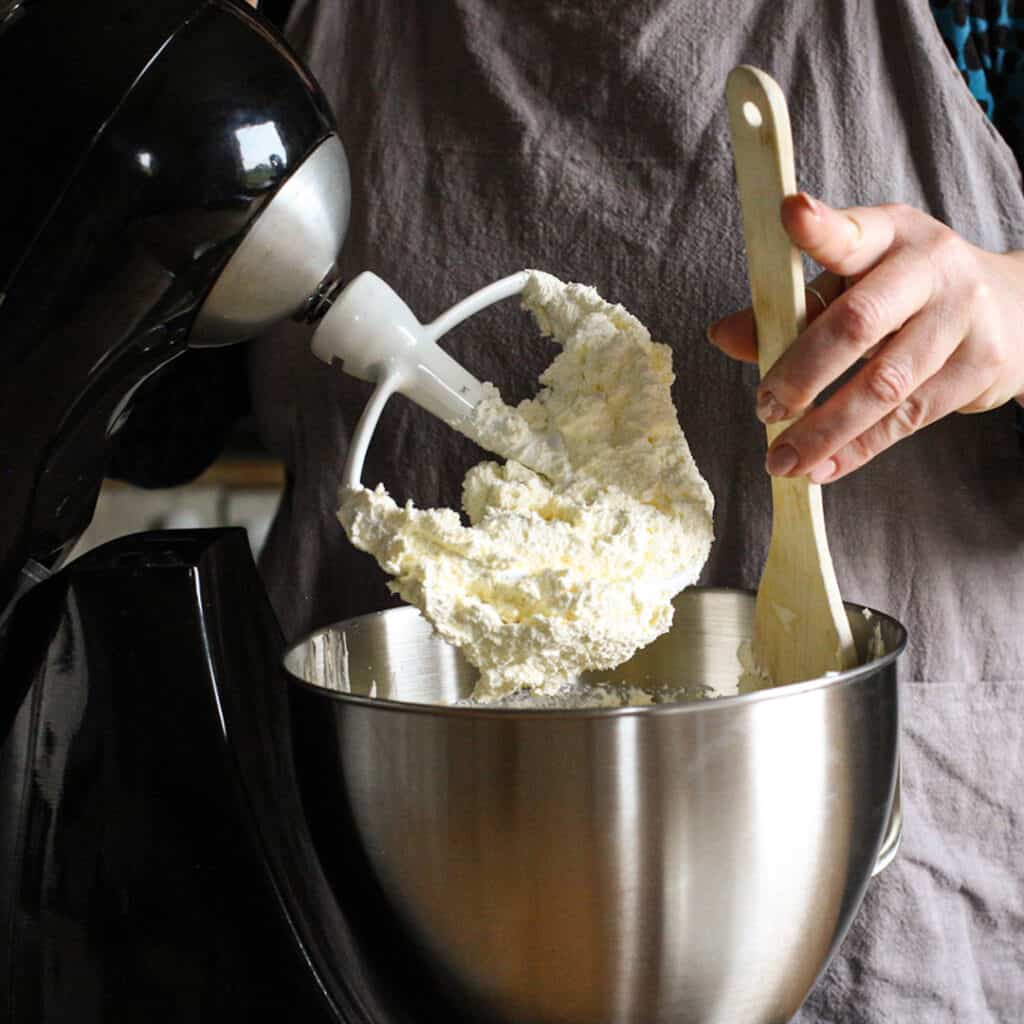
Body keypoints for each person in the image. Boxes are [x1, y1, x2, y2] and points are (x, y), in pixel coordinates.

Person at [128, 0, 1018, 1019]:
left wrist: (1012, 310)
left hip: (887, 921)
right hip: (386, 899)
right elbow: (152, 418)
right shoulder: (272, 17)